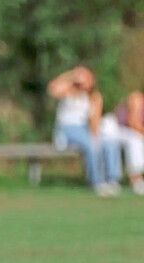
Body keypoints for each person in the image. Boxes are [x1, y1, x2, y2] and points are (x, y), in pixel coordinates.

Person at [47, 66, 113, 195]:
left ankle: (112, 180)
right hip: (67, 129)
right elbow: (52, 88)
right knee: (91, 144)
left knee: (107, 143)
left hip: (84, 128)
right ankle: (96, 182)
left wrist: (96, 135)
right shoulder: (68, 91)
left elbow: (95, 121)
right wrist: (71, 74)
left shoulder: (93, 96)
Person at [111, 90, 144, 195]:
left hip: (132, 132)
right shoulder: (137, 98)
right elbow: (133, 123)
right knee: (135, 140)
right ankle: (136, 180)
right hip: (114, 130)